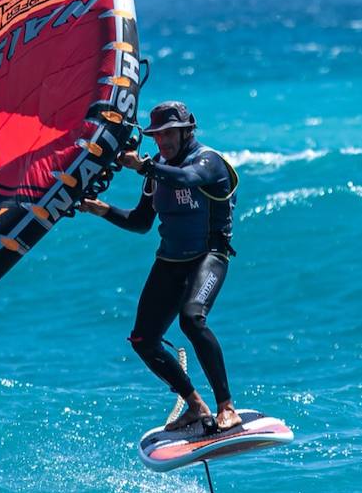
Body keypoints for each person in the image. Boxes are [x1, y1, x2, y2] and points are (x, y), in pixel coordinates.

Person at [79, 101, 241, 432]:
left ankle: (227, 407)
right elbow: (141, 222)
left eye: (169, 134)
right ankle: (195, 404)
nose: (162, 142)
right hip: (170, 260)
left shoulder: (208, 161)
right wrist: (102, 209)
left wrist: (143, 168)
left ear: (186, 131)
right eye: (156, 135)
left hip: (209, 256)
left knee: (192, 320)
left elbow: (187, 179)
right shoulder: (155, 170)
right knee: (143, 339)